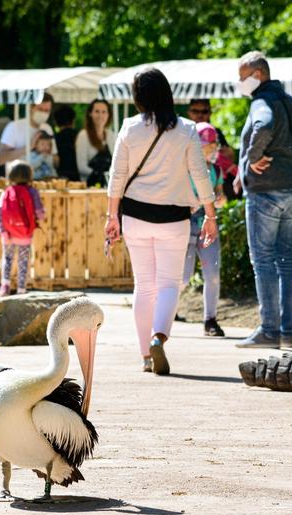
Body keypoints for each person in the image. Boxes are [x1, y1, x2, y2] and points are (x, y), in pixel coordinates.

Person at [105, 67, 218, 375]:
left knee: (144, 285)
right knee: (169, 283)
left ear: (138, 98)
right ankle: (159, 337)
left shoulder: (129, 128)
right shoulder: (186, 129)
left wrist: (111, 215)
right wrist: (210, 215)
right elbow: (200, 175)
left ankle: (145, 355)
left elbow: (117, 176)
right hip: (174, 218)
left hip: (135, 215)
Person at [233, 51, 292, 350]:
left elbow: (263, 125)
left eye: (242, 77)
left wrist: (252, 158)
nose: (239, 83)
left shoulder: (262, 101)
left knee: (263, 259)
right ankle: (288, 332)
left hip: (265, 191)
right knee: (286, 258)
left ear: (258, 75)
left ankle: (269, 330)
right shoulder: (291, 101)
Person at [182, 122, 227, 337]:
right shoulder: (183, 169)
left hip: (208, 226)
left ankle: (210, 319)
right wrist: (201, 201)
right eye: (210, 145)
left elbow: (221, 195)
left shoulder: (215, 170)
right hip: (185, 225)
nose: (214, 149)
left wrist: (219, 199)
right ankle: (164, 310)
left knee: (213, 275)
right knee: (182, 277)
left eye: (214, 145)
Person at [0, 160, 45, 296]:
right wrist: (41, 218)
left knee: (7, 258)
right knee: (23, 261)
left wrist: (2, 230)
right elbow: (40, 212)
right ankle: (21, 289)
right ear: (29, 175)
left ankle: (4, 286)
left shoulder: (7, 192)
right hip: (25, 233)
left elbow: (0, 212)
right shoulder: (32, 191)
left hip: (8, 233)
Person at [187, 98, 239, 200]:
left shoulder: (214, 132)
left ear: (210, 113)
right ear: (189, 112)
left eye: (204, 111)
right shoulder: (184, 131)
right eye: (195, 111)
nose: (200, 115)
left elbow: (229, 155)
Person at [0, 92, 58, 169]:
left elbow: (55, 159)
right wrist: (29, 147)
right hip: (19, 176)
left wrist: (48, 156)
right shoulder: (14, 127)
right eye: (40, 109)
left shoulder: (47, 128)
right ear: (31, 107)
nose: (43, 113)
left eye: (47, 111)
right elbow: (0, 159)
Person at [76, 99, 116, 186]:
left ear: (108, 115)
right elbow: (81, 167)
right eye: (97, 111)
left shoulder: (111, 135)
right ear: (90, 114)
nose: (100, 115)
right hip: (89, 187)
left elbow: (115, 163)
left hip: (108, 186)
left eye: (104, 112)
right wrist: (100, 175)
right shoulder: (83, 135)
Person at [53, 105, 79, 181]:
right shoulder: (79, 136)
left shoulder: (54, 138)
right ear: (73, 120)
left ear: (56, 122)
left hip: (60, 177)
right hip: (78, 175)